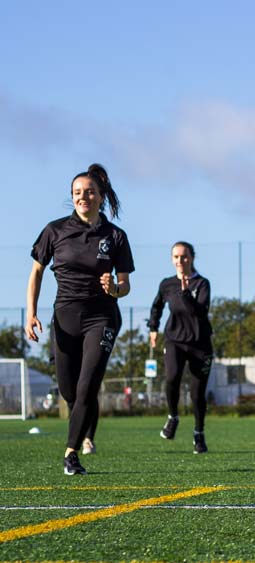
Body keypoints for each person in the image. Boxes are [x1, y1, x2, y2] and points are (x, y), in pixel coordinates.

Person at [25, 164, 134, 475]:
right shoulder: (54, 231)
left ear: (100, 197)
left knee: (87, 386)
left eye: (89, 192)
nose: (83, 197)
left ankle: (71, 453)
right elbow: (36, 272)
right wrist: (31, 313)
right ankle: (85, 428)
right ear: (71, 197)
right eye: (77, 193)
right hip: (65, 318)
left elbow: (125, 286)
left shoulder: (115, 236)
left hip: (102, 318)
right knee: (69, 391)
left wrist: (115, 288)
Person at [148, 241, 214, 454]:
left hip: (200, 344)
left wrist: (187, 294)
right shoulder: (167, 284)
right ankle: (173, 417)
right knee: (172, 377)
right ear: (171, 259)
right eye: (176, 257)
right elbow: (157, 306)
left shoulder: (202, 284)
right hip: (175, 341)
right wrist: (153, 327)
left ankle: (198, 434)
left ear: (192, 258)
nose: (180, 261)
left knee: (197, 394)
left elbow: (201, 312)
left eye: (184, 256)